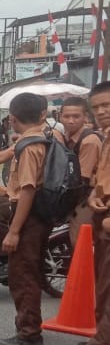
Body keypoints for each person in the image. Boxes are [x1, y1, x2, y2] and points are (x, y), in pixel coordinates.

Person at [0, 92, 56, 345]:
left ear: (13, 119)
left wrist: (14, 231)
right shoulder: (47, 137)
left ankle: (28, 333)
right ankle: (29, 329)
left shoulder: (29, 147)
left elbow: (27, 189)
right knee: (29, 271)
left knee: (23, 276)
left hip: (29, 216)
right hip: (41, 214)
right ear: (42, 115)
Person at [73, 81, 110, 345]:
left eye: (106, 106)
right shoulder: (105, 137)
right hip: (102, 215)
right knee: (103, 289)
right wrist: (97, 197)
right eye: (96, 108)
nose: (101, 112)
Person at [59, 96, 102, 244]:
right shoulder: (65, 137)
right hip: (73, 192)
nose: (71, 121)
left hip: (87, 195)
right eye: (66, 116)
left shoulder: (89, 140)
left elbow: (81, 179)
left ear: (85, 117)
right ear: (60, 117)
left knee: (80, 240)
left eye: (76, 116)